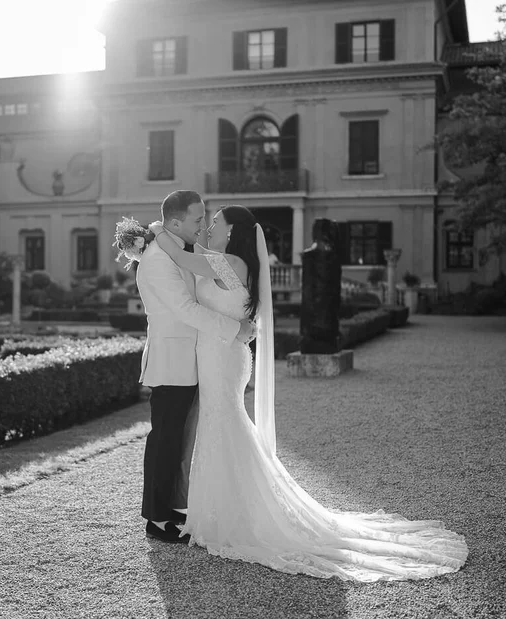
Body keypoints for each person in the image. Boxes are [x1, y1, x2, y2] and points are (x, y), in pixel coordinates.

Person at [148, 206, 468, 581]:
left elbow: (180, 256)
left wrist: (155, 231)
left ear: (232, 231)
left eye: (216, 221)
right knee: (224, 424)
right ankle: (221, 508)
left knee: (221, 423)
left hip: (221, 357)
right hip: (224, 354)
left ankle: (226, 515)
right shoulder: (229, 261)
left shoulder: (227, 263)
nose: (209, 225)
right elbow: (195, 255)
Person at [135, 191, 255, 544]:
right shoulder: (158, 259)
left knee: (180, 440)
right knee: (166, 441)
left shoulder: (191, 252)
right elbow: (186, 309)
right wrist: (235, 329)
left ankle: (173, 507)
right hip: (172, 362)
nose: (204, 225)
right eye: (199, 219)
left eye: (209, 220)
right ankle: (157, 519)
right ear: (176, 222)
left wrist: (158, 232)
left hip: (202, 360)